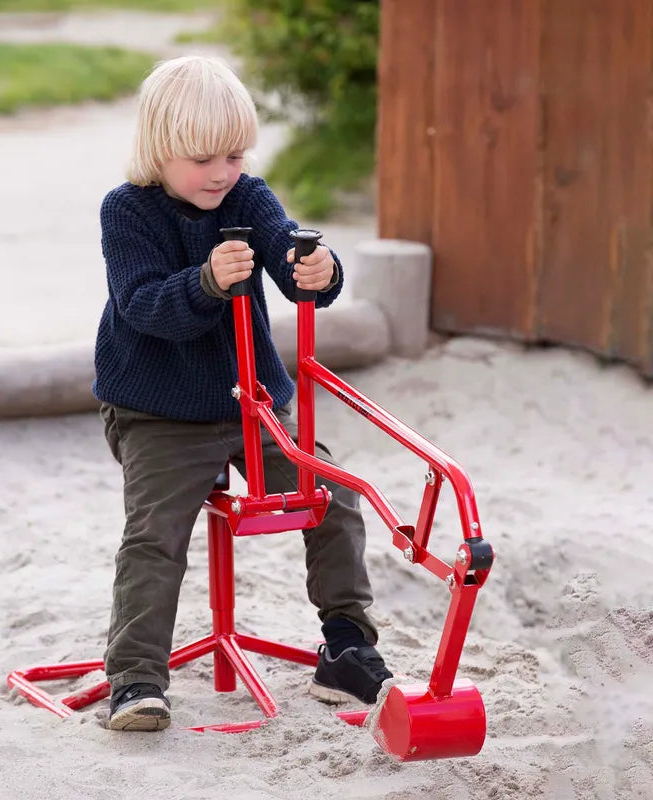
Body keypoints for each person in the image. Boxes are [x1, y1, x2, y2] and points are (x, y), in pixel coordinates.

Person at [93, 55, 391, 732]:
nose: (222, 172)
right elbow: (141, 306)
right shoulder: (128, 212)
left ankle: (346, 643)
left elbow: (289, 253)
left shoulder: (245, 198)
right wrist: (204, 282)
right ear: (160, 149)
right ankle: (136, 677)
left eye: (234, 153)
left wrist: (316, 267)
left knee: (332, 493)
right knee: (154, 534)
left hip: (252, 405)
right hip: (158, 414)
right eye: (204, 158)